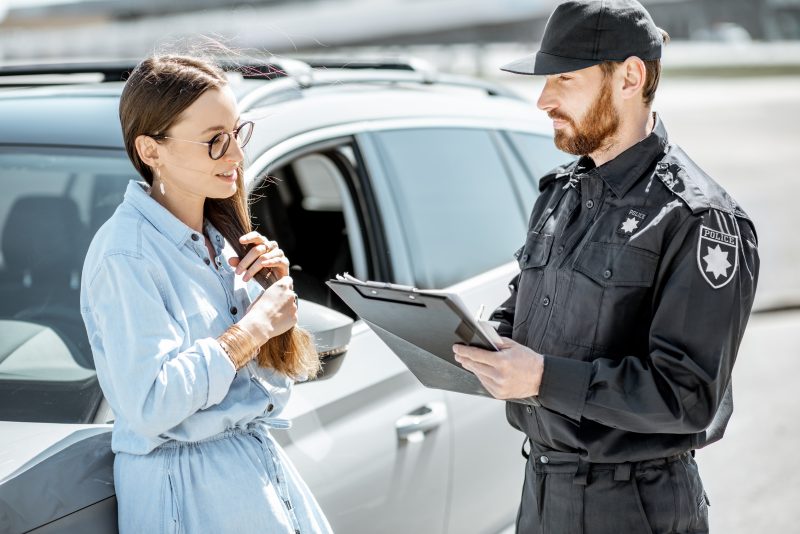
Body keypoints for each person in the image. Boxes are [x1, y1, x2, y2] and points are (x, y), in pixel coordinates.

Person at [452, 1, 759, 532]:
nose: (544, 99)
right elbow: (522, 310)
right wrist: (478, 339)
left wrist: (544, 377)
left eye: (564, 77)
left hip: (636, 506)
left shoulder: (699, 218)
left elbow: (687, 396)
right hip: (542, 493)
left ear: (630, 77)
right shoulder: (559, 194)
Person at [80, 54, 332, 533]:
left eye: (238, 133)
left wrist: (275, 304)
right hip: (187, 495)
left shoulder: (223, 240)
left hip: (255, 477)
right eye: (215, 140)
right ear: (150, 151)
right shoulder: (126, 255)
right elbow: (151, 403)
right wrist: (253, 329)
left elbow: (272, 394)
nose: (235, 155)